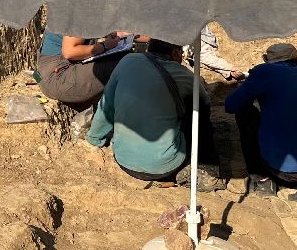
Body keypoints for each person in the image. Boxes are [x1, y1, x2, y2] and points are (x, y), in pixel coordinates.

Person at [86, 40, 223, 188]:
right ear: (175, 53)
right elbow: (204, 108)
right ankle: (206, 170)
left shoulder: (127, 61)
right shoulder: (187, 76)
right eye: (181, 53)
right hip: (165, 167)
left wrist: (95, 138)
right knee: (201, 122)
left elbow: (106, 105)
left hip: (124, 161)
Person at [224, 43, 297, 198]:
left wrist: (247, 86)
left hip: (282, 170)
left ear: (268, 60)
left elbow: (230, 105)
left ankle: (262, 180)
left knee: (244, 111)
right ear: (296, 60)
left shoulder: (263, 72)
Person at [36, 31, 131, 109]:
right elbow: (70, 52)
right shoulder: (79, 15)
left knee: (126, 59)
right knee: (127, 64)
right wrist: (105, 46)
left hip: (53, 73)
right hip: (57, 77)